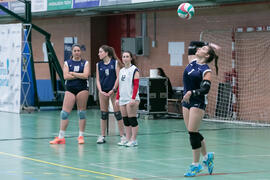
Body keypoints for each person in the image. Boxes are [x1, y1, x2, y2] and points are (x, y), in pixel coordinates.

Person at [182, 41, 220, 177]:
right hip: (186, 101)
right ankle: (207, 157)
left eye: (203, 48)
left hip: (197, 102)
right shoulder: (192, 61)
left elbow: (205, 88)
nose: (198, 48)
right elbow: (192, 44)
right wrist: (209, 44)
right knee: (193, 132)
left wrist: (192, 92)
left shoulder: (206, 70)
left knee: (193, 132)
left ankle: (195, 165)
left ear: (207, 55)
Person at [50, 44, 90, 144]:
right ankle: (61, 137)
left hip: (82, 89)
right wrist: (78, 75)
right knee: (64, 114)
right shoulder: (67, 63)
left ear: (81, 52)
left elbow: (85, 75)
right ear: (72, 52)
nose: (77, 52)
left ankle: (81, 136)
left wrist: (73, 73)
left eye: (78, 50)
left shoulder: (85, 63)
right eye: (75, 50)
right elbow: (65, 76)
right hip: (70, 89)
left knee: (81, 113)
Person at [96, 45, 125, 144]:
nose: (98, 54)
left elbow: (118, 77)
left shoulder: (115, 63)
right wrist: (100, 90)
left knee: (118, 114)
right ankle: (102, 136)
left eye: (100, 52)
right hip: (103, 91)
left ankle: (123, 136)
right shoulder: (98, 65)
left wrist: (113, 89)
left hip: (114, 91)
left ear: (106, 53)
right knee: (103, 114)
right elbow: (98, 79)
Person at [116, 51, 140, 147]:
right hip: (123, 99)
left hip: (131, 99)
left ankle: (134, 139)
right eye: (123, 56)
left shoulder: (134, 70)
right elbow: (120, 86)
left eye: (127, 56)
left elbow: (136, 85)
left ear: (131, 58)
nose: (125, 58)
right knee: (125, 120)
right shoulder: (121, 71)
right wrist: (117, 98)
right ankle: (127, 138)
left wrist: (133, 98)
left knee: (132, 119)